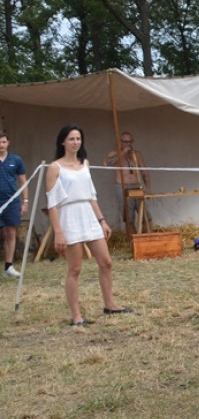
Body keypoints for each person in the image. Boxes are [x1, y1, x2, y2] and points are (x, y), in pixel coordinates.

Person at [46, 125, 131, 327]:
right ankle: (76, 316)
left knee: (106, 262)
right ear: (63, 142)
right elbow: (52, 203)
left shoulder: (85, 163)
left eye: (78, 138)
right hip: (69, 216)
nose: (75, 142)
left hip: (88, 214)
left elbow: (91, 195)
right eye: (71, 139)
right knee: (75, 269)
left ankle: (110, 304)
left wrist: (102, 220)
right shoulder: (55, 167)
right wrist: (58, 232)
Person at [104, 131, 151, 232]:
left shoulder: (137, 154)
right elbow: (107, 164)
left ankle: (147, 237)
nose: (128, 144)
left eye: (130, 141)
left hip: (137, 186)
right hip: (123, 186)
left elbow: (144, 171)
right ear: (120, 142)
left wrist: (147, 187)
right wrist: (122, 153)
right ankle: (132, 239)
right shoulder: (114, 153)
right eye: (125, 142)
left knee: (145, 215)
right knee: (129, 218)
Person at [0, 133, 28, 277]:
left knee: (11, 232)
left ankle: (8, 266)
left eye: (3, 142)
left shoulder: (16, 160)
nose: (1, 145)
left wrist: (25, 201)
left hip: (12, 201)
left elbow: (23, 181)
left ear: (8, 142)